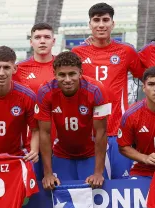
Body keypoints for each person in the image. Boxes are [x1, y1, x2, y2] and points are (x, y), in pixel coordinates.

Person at [72, 3, 145, 179]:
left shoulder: (126, 51)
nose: (101, 24)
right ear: (90, 25)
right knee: (94, 183)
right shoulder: (77, 52)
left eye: (106, 20)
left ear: (113, 24)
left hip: (120, 129)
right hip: (89, 132)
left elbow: (145, 78)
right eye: (96, 20)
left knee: (122, 183)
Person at [36, 51, 110, 190]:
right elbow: (44, 133)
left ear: (80, 73)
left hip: (91, 154)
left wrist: (98, 172)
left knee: (97, 194)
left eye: (72, 74)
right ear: (54, 74)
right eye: (62, 75)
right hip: (61, 154)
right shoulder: (45, 91)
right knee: (59, 195)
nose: (68, 79)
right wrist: (48, 173)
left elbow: (101, 132)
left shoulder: (96, 90)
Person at [14, 22, 56, 181]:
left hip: (60, 141)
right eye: (37, 37)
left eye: (47, 37)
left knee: (57, 188)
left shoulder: (64, 67)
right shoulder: (19, 70)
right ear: (31, 42)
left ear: (54, 40)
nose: (42, 41)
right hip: (29, 143)